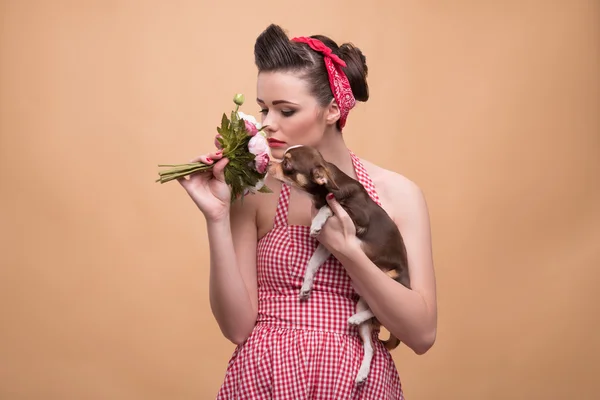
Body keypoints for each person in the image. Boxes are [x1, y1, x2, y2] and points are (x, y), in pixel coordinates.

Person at [177, 23, 437, 399]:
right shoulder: (255, 191)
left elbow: (422, 334)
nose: (267, 125)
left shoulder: (397, 194)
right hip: (264, 378)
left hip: (356, 384)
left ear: (332, 109)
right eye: (263, 109)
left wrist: (349, 253)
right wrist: (216, 216)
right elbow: (236, 328)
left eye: (286, 110)